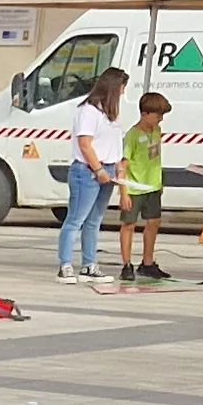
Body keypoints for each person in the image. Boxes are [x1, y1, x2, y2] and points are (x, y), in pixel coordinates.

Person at [59, 68, 127, 282]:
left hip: (108, 169)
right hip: (87, 171)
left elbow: (115, 143)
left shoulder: (111, 114)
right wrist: (98, 169)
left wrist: (118, 168)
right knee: (76, 219)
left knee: (94, 220)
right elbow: (85, 144)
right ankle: (65, 264)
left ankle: (89, 264)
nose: (123, 92)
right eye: (122, 87)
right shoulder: (88, 111)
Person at [119, 91, 172, 281]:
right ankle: (126, 264)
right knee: (129, 224)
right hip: (135, 186)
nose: (160, 119)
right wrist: (123, 192)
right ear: (144, 113)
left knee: (154, 222)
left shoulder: (156, 131)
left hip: (153, 185)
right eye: (157, 115)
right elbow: (123, 165)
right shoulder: (132, 135)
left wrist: (159, 181)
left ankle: (147, 262)